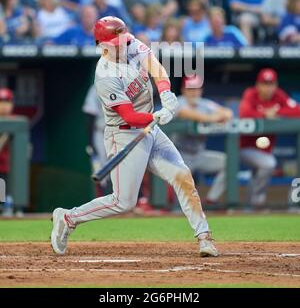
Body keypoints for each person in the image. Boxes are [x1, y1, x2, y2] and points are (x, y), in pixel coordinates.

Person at [51, 16, 218, 257]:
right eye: (116, 42)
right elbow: (129, 116)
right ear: (103, 45)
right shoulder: (105, 76)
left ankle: (204, 238)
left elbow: (156, 68)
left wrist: (166, 93)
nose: (123, 44)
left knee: (182, 176)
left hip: (151, 128)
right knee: (123, 202)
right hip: (124, 135)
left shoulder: (131, 43)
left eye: (123, 39)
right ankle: (68, 217)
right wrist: (154, 117)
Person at [239, 68, 300, 207]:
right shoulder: (250, 93)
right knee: (268, 164)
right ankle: (257, 202)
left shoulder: (278, 96)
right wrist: (265, 114)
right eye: (264, 84)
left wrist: (278, 110)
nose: (268, 88)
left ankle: (249, 206)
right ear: (258, 84)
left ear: (276, 85)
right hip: (244, 147)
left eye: (271, 84)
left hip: (264, 149)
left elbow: (297, 110)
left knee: (257, 174)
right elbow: (245, 112)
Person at [175, 75, 233, 205]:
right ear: (184, 90)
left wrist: (216, 116)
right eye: (191, 89)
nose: (194, 92)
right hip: (179, 156)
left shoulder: (204, 103)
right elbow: (188, 114)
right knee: (180, 201)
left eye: (197, 89)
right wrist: (211, 118)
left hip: (199, 154)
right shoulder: (178, 101)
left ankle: (211, 199)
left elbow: (228, 113)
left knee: (229, 162)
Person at [0, 88, 14, 216]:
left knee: (4, 197)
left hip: (7, 169)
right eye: (1, 102)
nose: (4, 106)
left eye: (7, 102)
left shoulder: (15, 121)